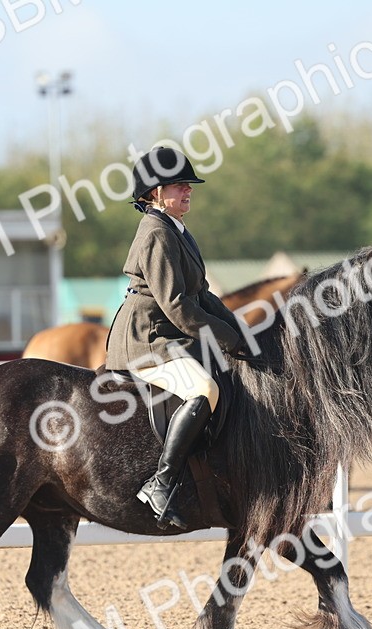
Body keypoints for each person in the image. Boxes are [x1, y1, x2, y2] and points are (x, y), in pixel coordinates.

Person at [105, 147, 245, 528]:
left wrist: (240, 333)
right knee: (204, 391)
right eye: (179, 185)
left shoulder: (177, 230)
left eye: (189, 185)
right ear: (153, 192)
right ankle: (161, 482)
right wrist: (229, 340)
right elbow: (178, 305)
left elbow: (203, 295)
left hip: (167, 335)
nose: (188, 190)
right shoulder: (155, 233)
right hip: (147, 339)